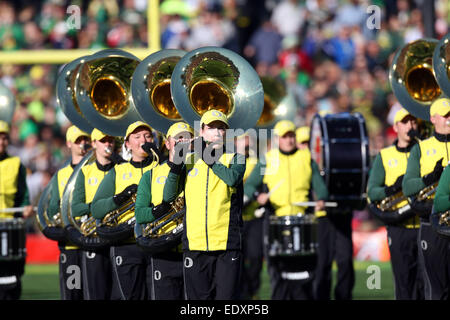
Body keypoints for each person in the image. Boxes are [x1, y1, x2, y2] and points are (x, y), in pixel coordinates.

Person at [163, 110, 246, 300]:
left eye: (221, 128)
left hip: (227, 243)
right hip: (195, 244)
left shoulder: (236, 158)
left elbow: (231, 179)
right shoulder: (189, 160)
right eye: (212, 127)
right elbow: (169, 196)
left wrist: (206, 155)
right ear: (201, 131)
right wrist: (176, 164)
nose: (217, 132)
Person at [246, 120, 328, 300]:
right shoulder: (268, 160)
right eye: (285, 137)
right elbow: (249, 186)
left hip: (302, 220)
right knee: (277, 270)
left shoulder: (306, 157)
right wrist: (258, 196)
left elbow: (319, 186)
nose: (289, 140)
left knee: (305, 268)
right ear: (277, 139)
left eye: (291, 136)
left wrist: (321, 199)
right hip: (275, 220)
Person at [91, 121, 159, 300]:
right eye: (136, 137)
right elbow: (97, 209)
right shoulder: (118, 171)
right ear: (127, 144)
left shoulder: (162, 168)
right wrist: (119, 198)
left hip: (158, 244)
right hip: (126, 245)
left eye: (147, 136)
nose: (143, 140)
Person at [367, 108, 423, 300]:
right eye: (405, 122)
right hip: (399, 227)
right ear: (395, 127)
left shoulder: (424, 151)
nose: (410, 126)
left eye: (413, 122)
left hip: (423, 225)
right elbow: (372, 191)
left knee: (426, 285)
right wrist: (390, 190)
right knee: (404, 284)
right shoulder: (385, 155)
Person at [135, 122, 194, 300]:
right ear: (167, 144)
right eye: (177, 138)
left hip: (193, 249)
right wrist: (158, 211)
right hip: (163, 250)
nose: (182, 142)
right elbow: (140, 214)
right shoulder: (151, 175)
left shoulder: (200, 169)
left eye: (187, 138)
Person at [403, 98, 450, 300]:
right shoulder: (421, 149)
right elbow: (408, 187)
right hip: (432, 225)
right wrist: (430, 178)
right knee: (436, 291)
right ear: (433, 119)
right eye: (445, 115)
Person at [70, 128, 117, 300]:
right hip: (94, 237)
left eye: (111, 140)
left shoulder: (121, 168)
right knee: (96, 294)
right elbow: (75, 208)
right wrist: (100, 207)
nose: (108, 144)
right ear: (95, 144)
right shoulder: (85, 171)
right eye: (103, 141)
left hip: (118, 237)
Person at [47, 124, 91, 300]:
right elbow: (52, 209)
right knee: (72, 293)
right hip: (71, 246)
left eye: (85, 140)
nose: (82, 144)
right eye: (78, 141)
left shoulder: (93, 169)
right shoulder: (61, 174)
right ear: (68, 144)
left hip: (93, 242)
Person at [0, 120, 34, 300]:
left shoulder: (16, 164)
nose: (1, 142)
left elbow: (23, 195)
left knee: (11, 279)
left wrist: (26, 208)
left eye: (4, 138)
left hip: (10, 228)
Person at [235, 133, 264, 300]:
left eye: (247, 139)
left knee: (255, 258)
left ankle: (252, 291)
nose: (245, 143)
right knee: (237, 259)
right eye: (241, 139)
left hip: (253, 217)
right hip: (236, 219)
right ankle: (242, 293)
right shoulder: (229, 160)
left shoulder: (257, 163)